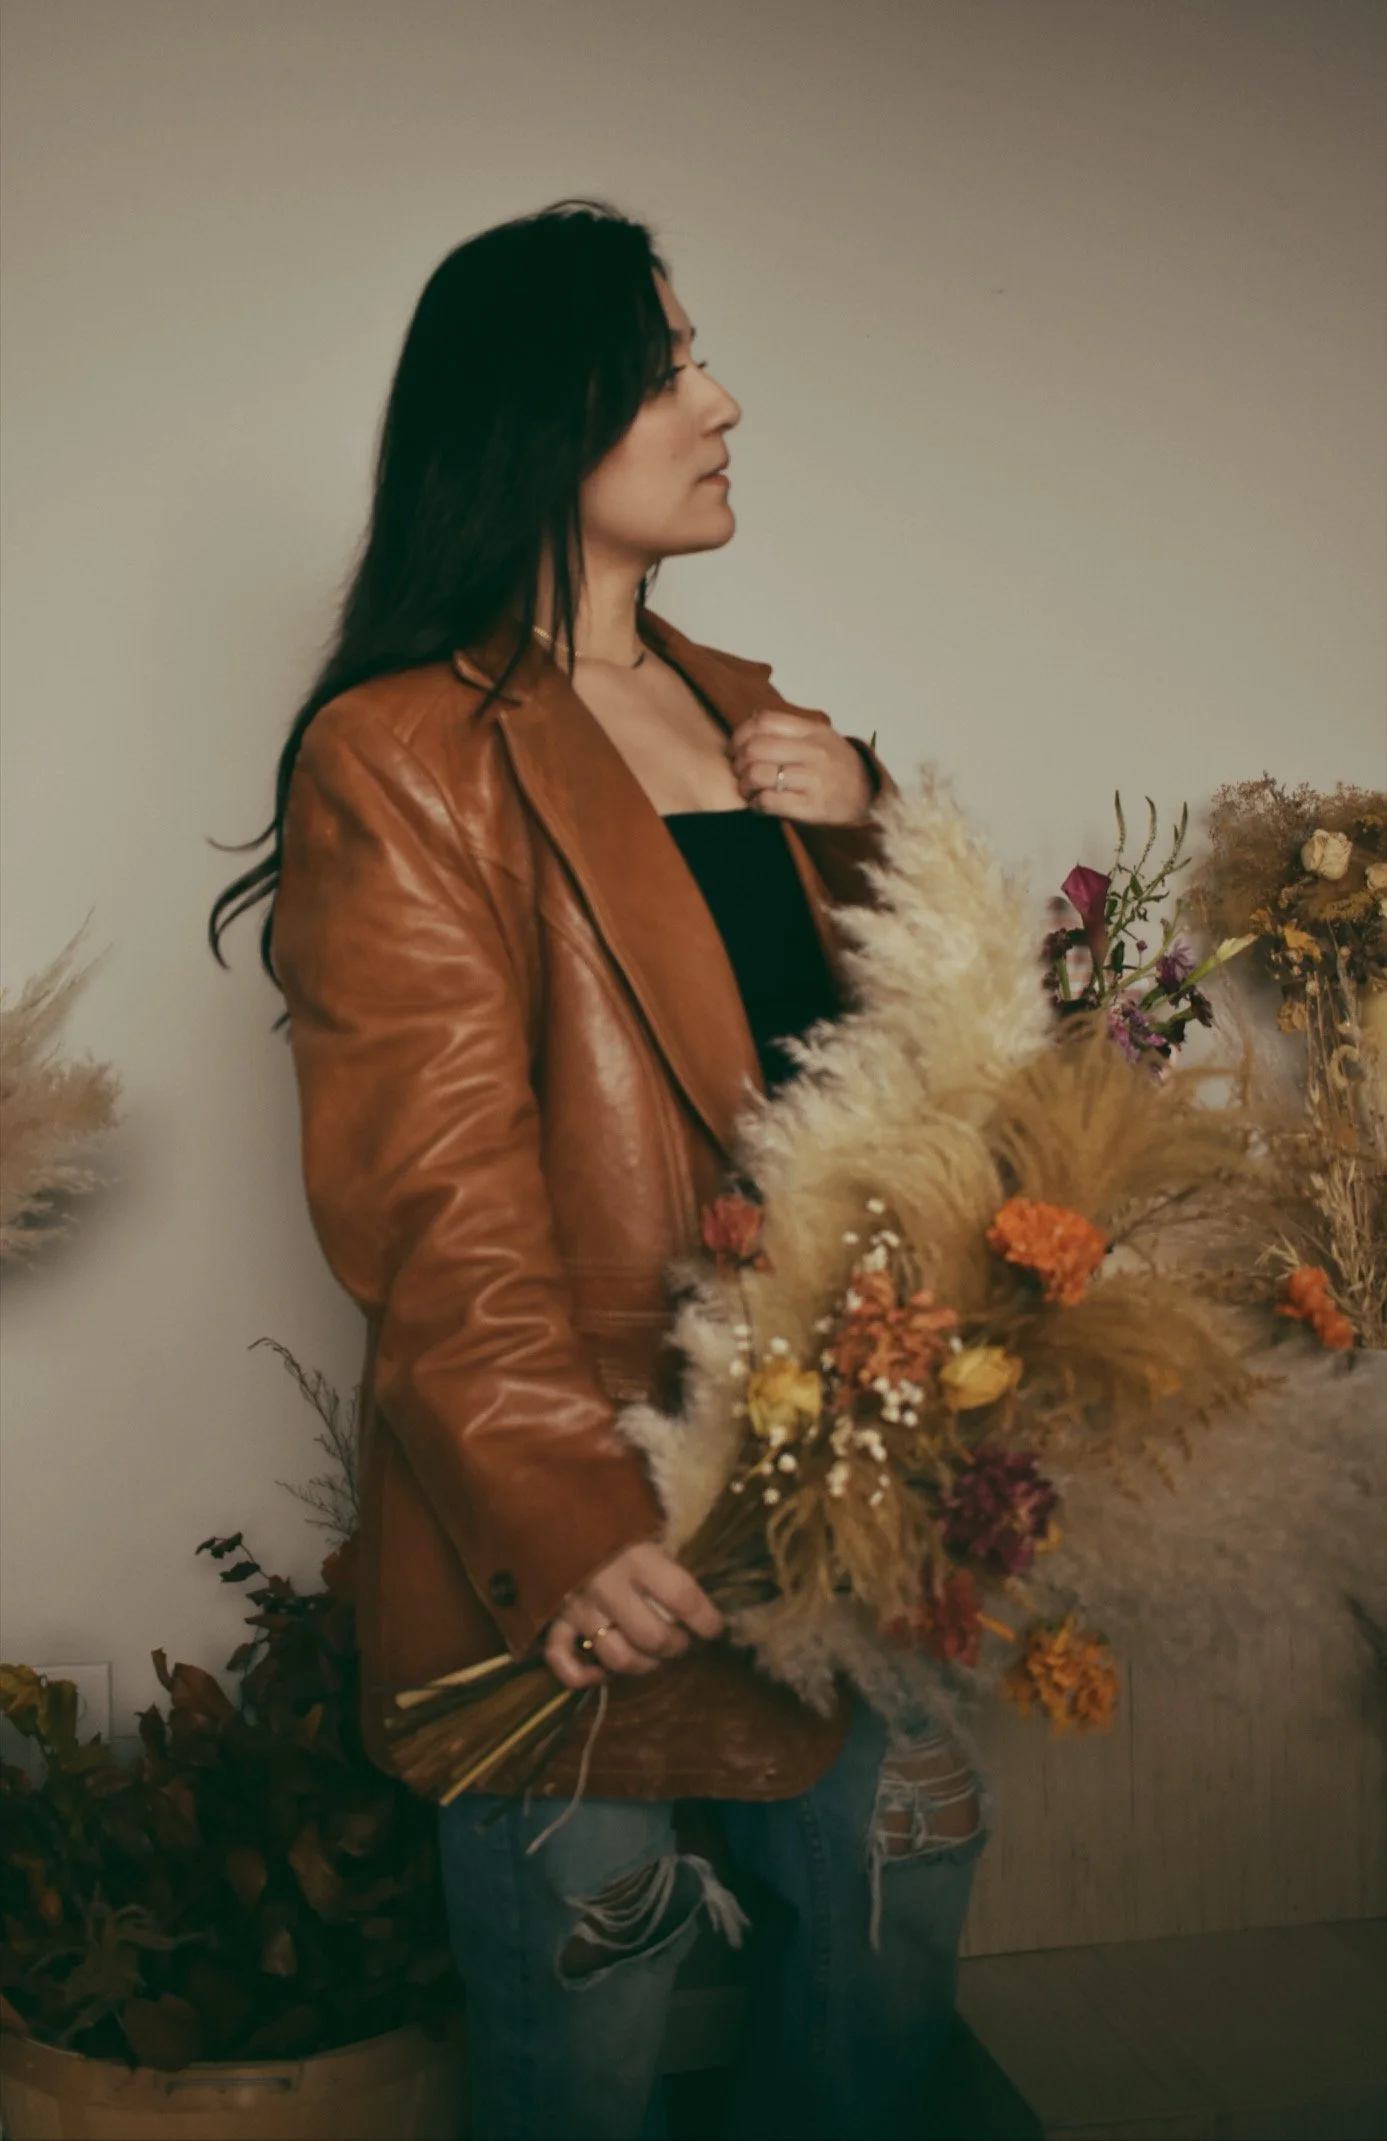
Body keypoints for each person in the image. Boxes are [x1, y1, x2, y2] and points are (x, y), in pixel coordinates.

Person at [211, 197, 986, 2141]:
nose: (720, 400)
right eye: (664, 370)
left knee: (878, 2014)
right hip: (595, 1537)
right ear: (538, 421)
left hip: (848, 1486)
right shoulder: (400, 756)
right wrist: (566, 1516)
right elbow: (432, 1199)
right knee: (590, 2059)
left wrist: (879, 826)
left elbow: (902, 1075)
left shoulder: (763, 715)